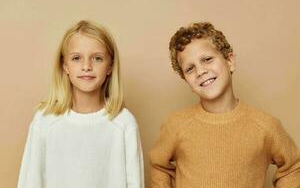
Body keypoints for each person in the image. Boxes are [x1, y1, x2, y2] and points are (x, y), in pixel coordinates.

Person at [149, 22, 300, 188]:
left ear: (229, 61)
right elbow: (159, 165)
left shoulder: (265, 126)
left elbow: (292, 168)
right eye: (190, 68)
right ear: (186, 81)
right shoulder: (175, 125)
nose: (200, 71)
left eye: (207, 59)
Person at [18, 20, 144, 188]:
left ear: (110, 67)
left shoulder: (124, 123)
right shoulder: (44, 120)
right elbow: (30, 181)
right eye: (76, 58)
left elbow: (134, 183)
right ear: (65, 66)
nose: (86, 66)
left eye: (97, 58)